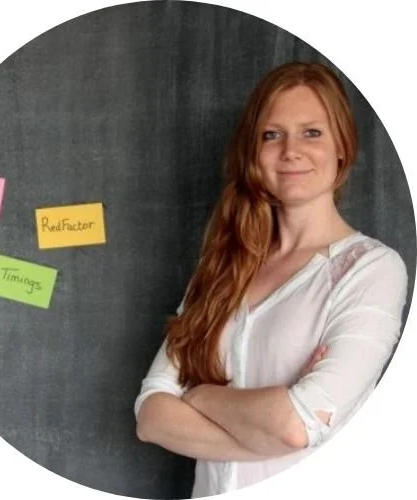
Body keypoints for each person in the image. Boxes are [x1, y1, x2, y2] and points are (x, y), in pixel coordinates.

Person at [134, 61, 408, 497]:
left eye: (311, 133)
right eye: (271, 135)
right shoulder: (220, 267)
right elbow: (151, 417)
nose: (290, 151)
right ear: (254, 153)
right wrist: (272, 431)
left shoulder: (372, 270)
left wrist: (200, 395)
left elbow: (298, 424)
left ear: (343, 146)